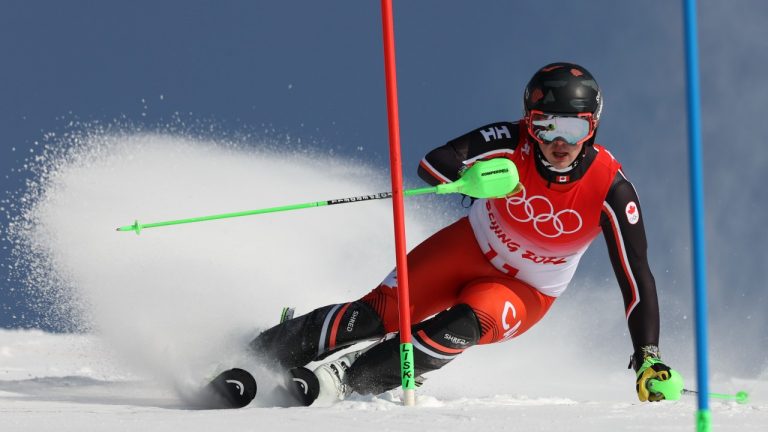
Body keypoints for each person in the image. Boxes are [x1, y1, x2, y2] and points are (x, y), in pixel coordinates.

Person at [249, 62, 681, 405]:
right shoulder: (512, 141)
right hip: (468, 248)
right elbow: (434, 163)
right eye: (545, 126)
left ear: (593, 128)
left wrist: (647, 356)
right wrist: (470, 179)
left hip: (526, 290)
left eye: (574, 128)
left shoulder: (611, 188)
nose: (558, 141)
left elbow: (636, 275)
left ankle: (345, 379)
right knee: (378, 314)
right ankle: (259, 351)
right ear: (529, 123)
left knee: (460, 325)